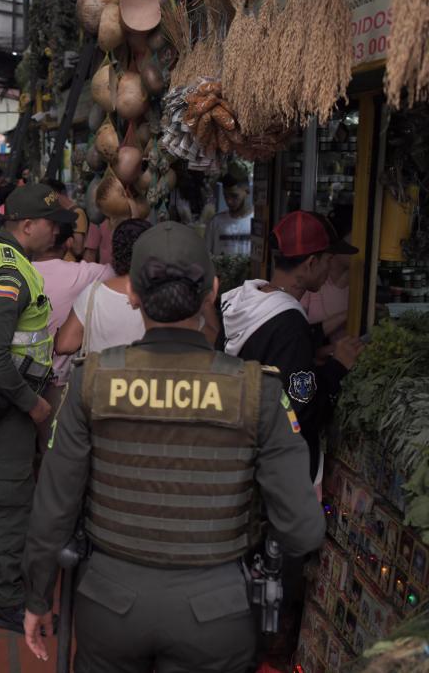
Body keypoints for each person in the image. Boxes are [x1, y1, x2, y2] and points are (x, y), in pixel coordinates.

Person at [22, 221, 326, 673]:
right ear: (213, 291)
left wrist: (38, 595)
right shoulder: (257, 392)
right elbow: (302, 529)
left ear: (133, 295)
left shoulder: (92, 382)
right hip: (218, 614)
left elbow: (54, 505)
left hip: (109, 605)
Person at [0, 183, 75, 633]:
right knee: (12, 499)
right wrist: (32, 405)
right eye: (53, 225)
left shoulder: (9, 260)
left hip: (0, 395)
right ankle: (8, 601)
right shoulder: (9, 274)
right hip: (8, 399)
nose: (59, 234)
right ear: (28, 226)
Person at [220, 210, 363, 482]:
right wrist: (337, 367)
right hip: (273, 474)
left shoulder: (244, 300)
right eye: (328, 260)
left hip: (240, 452)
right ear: (311, 263)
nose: (329, 268)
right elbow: (299, 410)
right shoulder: (289, 323)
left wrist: (313, 347)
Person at [31, 220, 112, 451]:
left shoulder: (18, 269)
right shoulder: (85, 274)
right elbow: (120, 270)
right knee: (54, 451)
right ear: (68, 242)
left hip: (20, 381)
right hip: (59, 382)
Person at [54, 219, 151, 358]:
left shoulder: (93, 294)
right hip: (142, 378)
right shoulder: (160, 296)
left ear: (115, 251)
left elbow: (64, 345)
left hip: (100, 376)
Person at [206, 174, 254, 256]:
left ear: (247, 191)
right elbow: (205, 254)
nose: (229, 201)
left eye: (234, 196)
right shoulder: (216, 222)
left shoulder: (256, 222)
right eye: (225, 196)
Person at [45, 179, 89, 262]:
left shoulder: (77, 213)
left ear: (56, 194)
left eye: (47, 197)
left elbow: (78, 249)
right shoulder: (59, 212)